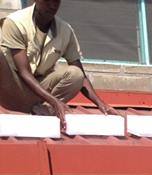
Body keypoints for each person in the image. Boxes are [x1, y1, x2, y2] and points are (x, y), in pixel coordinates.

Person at [0, 0, 117, 131]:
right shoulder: (15, 23)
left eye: (56, 1)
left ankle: (42, 111)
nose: (52, 5)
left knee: (76, 73)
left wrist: (101, 104)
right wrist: (55, 101)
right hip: (10, 89)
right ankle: (49, 106)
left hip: (37, 95)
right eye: (47, 1)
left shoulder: (65, 30)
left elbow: (81, 75)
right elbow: (24, 72)